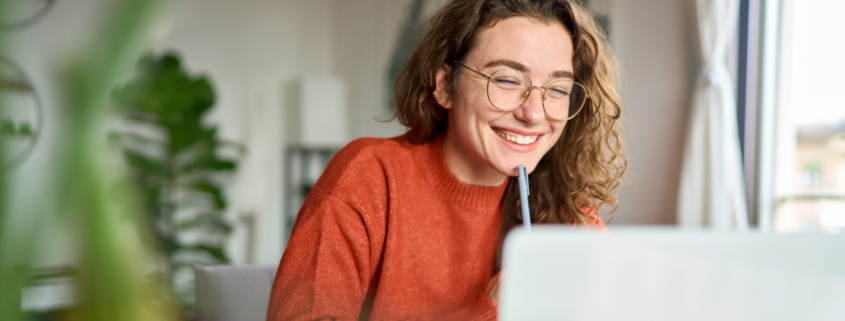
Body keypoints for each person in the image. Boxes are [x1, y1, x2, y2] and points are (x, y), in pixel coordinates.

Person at [267, 0, 625, 319]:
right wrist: (489, 311)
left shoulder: (568, 217)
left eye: (558, 89)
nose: (534, 114)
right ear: (444, 85)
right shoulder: (369, 177)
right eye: (506, 80)